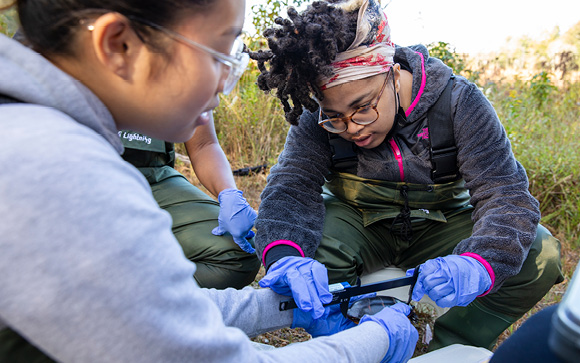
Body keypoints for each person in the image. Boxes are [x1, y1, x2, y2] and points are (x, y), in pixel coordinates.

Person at [0, 0, 419, 361]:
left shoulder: (29, 128)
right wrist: (374, 339)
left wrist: (284, 307)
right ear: (119, 46)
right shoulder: (56, 170)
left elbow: (152, 310)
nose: (225, 80)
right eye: (218, 53)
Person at [250, 0, 564, 351]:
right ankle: (345, 338)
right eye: (335, 117)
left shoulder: (460, 102)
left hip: (440, 227)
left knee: (540, 252)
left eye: (363, 107)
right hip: (360, 227)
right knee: (304, 246)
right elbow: (292, 186)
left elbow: (505, 193)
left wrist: (480, 261)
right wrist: (284, 255)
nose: (352, 128)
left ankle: (443, 344)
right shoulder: (316, 116)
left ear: (391, 72)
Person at [118, 119, 261, 289]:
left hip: (152, 176)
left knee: (238, 253)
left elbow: (203, 143)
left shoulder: (190, 94)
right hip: (88, 173)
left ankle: (138, 293)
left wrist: (229, 194)